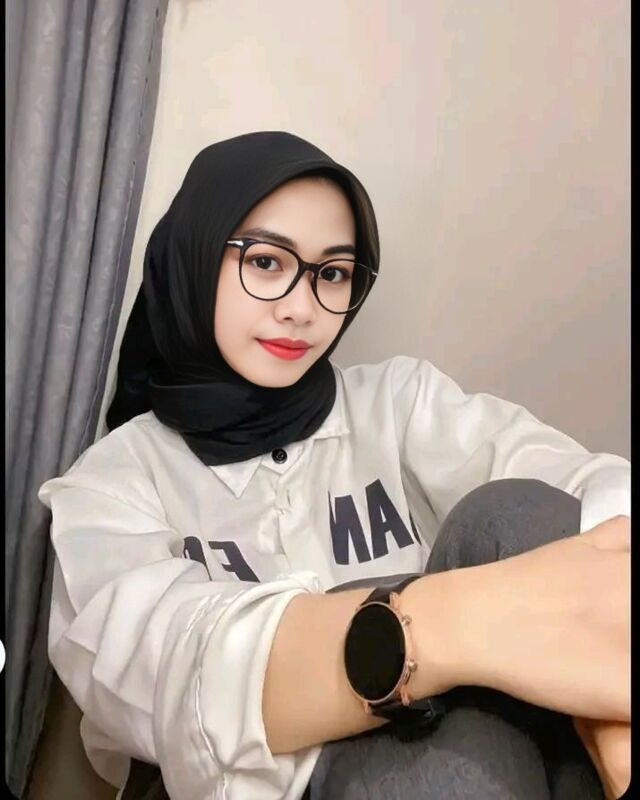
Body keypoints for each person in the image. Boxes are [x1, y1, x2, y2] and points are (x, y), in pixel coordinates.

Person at [38, 131, 630, 800]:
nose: (301, 308)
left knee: (512, 512)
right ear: (195, 259)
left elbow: (587, 488)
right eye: (266, 261)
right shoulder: (114, 482)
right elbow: (173, 675)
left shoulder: (396, 403)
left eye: (332, 273)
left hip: (456, 738)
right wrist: (444, 623)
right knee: (453, 759)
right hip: (256, 782)